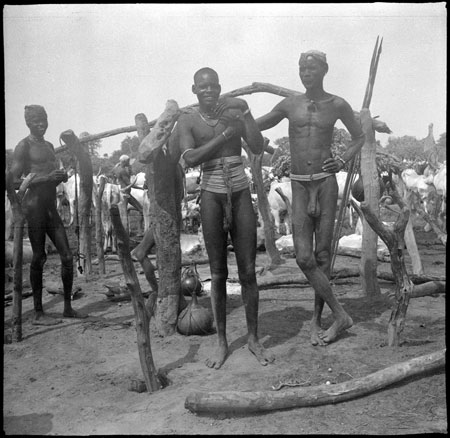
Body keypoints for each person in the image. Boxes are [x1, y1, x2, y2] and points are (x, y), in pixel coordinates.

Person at [256, 50, 365, 345]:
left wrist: (342, 160)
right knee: (304, 258)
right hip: (300, 186)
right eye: (302, 68)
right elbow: (257, 124)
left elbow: (359, 137)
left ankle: (318, 320)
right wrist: (237, 117)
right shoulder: (290, 105)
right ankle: (341, 314)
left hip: (326, 184)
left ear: (324, 70)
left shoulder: (338, 104)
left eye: (312, 67)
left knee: (323, 255)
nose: (306, 72)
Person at [177, 67, 275, 369]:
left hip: (241, 190)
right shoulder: (188, 120)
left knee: (248, 271)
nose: (208, 91)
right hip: (210, 194)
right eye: (202, 87)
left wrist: (245, 113)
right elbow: (190, 158)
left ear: (219, 88)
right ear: (194, 90)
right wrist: (225, 135)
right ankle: (220, 341)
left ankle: (254, 339)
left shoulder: (234, 112)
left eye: (213, 86)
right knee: (218, 273)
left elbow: (257, 147)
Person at [5, 105, 88, 325]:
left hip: (51, 208)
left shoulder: (50, 146)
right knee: (40, 257)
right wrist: (45, 178)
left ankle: (68, 308)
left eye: (44, 119)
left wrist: (60, 177)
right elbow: (12, 181)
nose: (42, 124)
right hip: (34, 208)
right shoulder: (23, 147)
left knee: (68, 257)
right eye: (37, 121)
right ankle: (38, 312)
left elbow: (51, 175)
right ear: (28, 123)